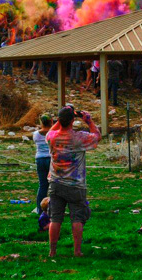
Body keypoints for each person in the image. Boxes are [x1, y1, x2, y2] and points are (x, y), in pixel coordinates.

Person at [47, 105, 101, 257]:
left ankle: (52, 251)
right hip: (75, 184)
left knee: (55, 218)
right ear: (72, 121)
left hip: (56, 182)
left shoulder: (52, 137)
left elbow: (52, 129)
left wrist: (62, 116)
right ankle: (77, 251)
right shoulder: (78, 138)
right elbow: (97, 136)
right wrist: (88, 121)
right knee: (76, 218)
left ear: (59, 120)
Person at [33, 114, 53, 214]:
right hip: (51, 159)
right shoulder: (53, 133)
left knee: (42, 185)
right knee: (53, 185)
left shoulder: (36, 134)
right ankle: (54, 208)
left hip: (40, 159)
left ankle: (39, 209)